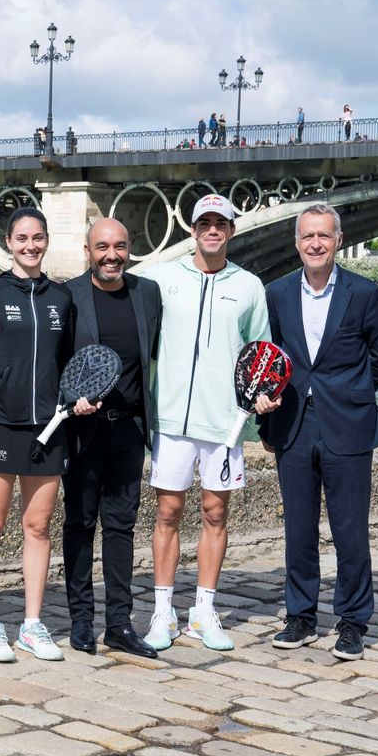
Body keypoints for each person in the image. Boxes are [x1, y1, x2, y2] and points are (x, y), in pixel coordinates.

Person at [263, 204, 378, 661]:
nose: (315, 244)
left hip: (348, 424)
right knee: (298, 529)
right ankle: (300, 616)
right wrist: (267, 416)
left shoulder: (364, 293)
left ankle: (353, 622)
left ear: (338, 240)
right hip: (295, 425)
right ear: (296, 243)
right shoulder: (277, 294)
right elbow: (269, 361)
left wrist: (349, 394)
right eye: (307, 237)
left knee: (350, 531)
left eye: (324, 235)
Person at [138, 193, 269, 654]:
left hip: (225, 422)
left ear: (231, 231)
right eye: (205, 223)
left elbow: (261, 352)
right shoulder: (159, 277)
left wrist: (265, 394)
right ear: (192, 230)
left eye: (221, 223)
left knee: (215, 512)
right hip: (171, 419)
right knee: (168, 512)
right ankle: (162, 610)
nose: (212, 230)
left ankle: (204, 611)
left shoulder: (251, 286)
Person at [0, 207, 73, 663]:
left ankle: (31, 624)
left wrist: (74, 403)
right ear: (8, 243)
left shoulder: (62, 299)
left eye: (38, 238)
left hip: (47, 429)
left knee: (38, 527)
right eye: (22, 238)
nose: (30, 246)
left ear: (46, 242)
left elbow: (68, 363)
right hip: (1, 426)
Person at [61, 218, 163, 660]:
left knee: (122, 529)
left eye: (120, 246)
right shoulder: (67, 295)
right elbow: (55, 362)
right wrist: (70, 398)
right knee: (80, 525)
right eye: (102, 247)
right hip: (83, 430)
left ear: (130, 249)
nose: (111, 255)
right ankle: (81, 621)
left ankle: (119, 624)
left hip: (128, 429)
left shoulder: (147, 294)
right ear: (88, 251)